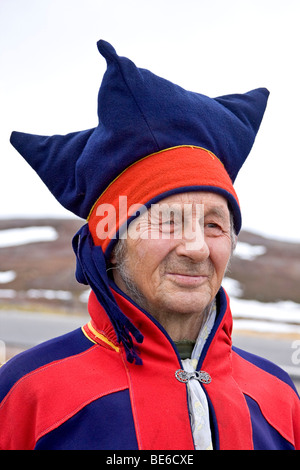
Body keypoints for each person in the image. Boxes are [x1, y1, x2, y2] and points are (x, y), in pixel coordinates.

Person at [0, 40, 299, 450]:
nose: (196, 248)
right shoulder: (27, 393)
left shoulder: (280, 397)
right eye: (166, 222)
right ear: (112, 243)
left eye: (214, 224)